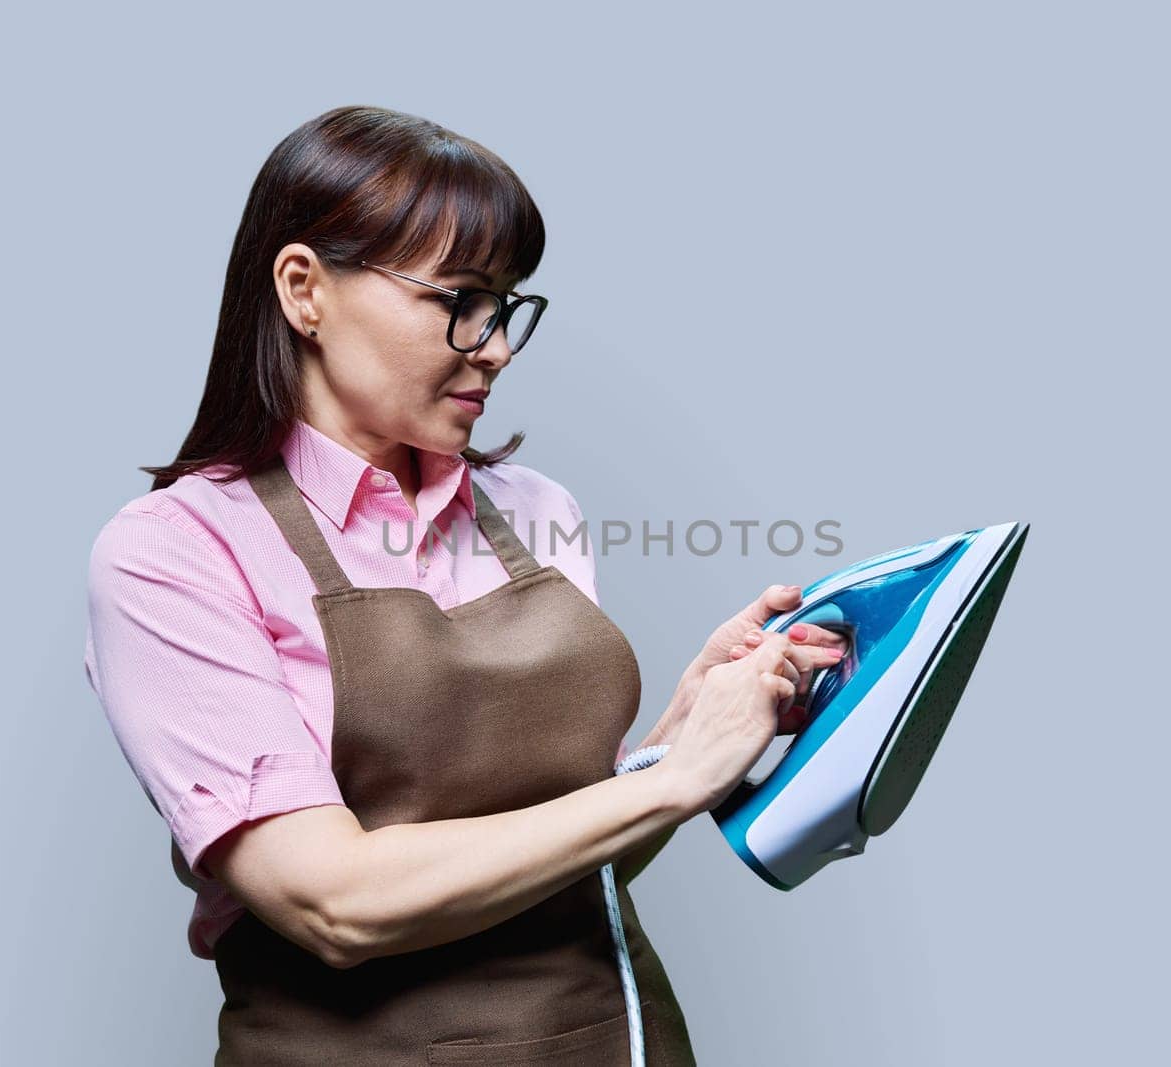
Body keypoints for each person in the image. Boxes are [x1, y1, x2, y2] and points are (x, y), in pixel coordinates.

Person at [83, 104, 847, 1066]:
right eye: (459, 299)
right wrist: (677, 782)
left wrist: (683, 732)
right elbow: (332, 900)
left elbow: (572, 862)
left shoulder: (535, 509)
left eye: (509, 304)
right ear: (303, 287)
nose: (497, 346)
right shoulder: (177, 552)